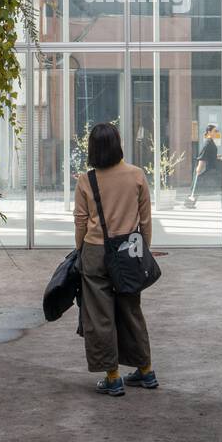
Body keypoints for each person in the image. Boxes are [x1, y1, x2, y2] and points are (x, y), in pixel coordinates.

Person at [73, 123, 159, 397]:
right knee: (131, 310)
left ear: (93, 149)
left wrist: (80, 252)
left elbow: (81, 222)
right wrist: (142, 249)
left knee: (100, 316)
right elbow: (145, 221)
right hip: (129, 251)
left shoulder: (87, 180)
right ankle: (145, 371)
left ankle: (113, 377)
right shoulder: (136, 175)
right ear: (118, 144)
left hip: (95, 251)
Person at [183, 123, 221, 208]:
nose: (216, 133)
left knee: (199, 187)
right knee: (198, 187)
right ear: (209, 132)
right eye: (215, 131)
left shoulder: (210, 142)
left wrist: (216, 157)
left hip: (210, 168)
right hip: (207, 169)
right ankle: (189, 203)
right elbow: (203, 156)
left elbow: (208, 154)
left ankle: (189, 203)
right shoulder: (208, 142)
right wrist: (199, 169)